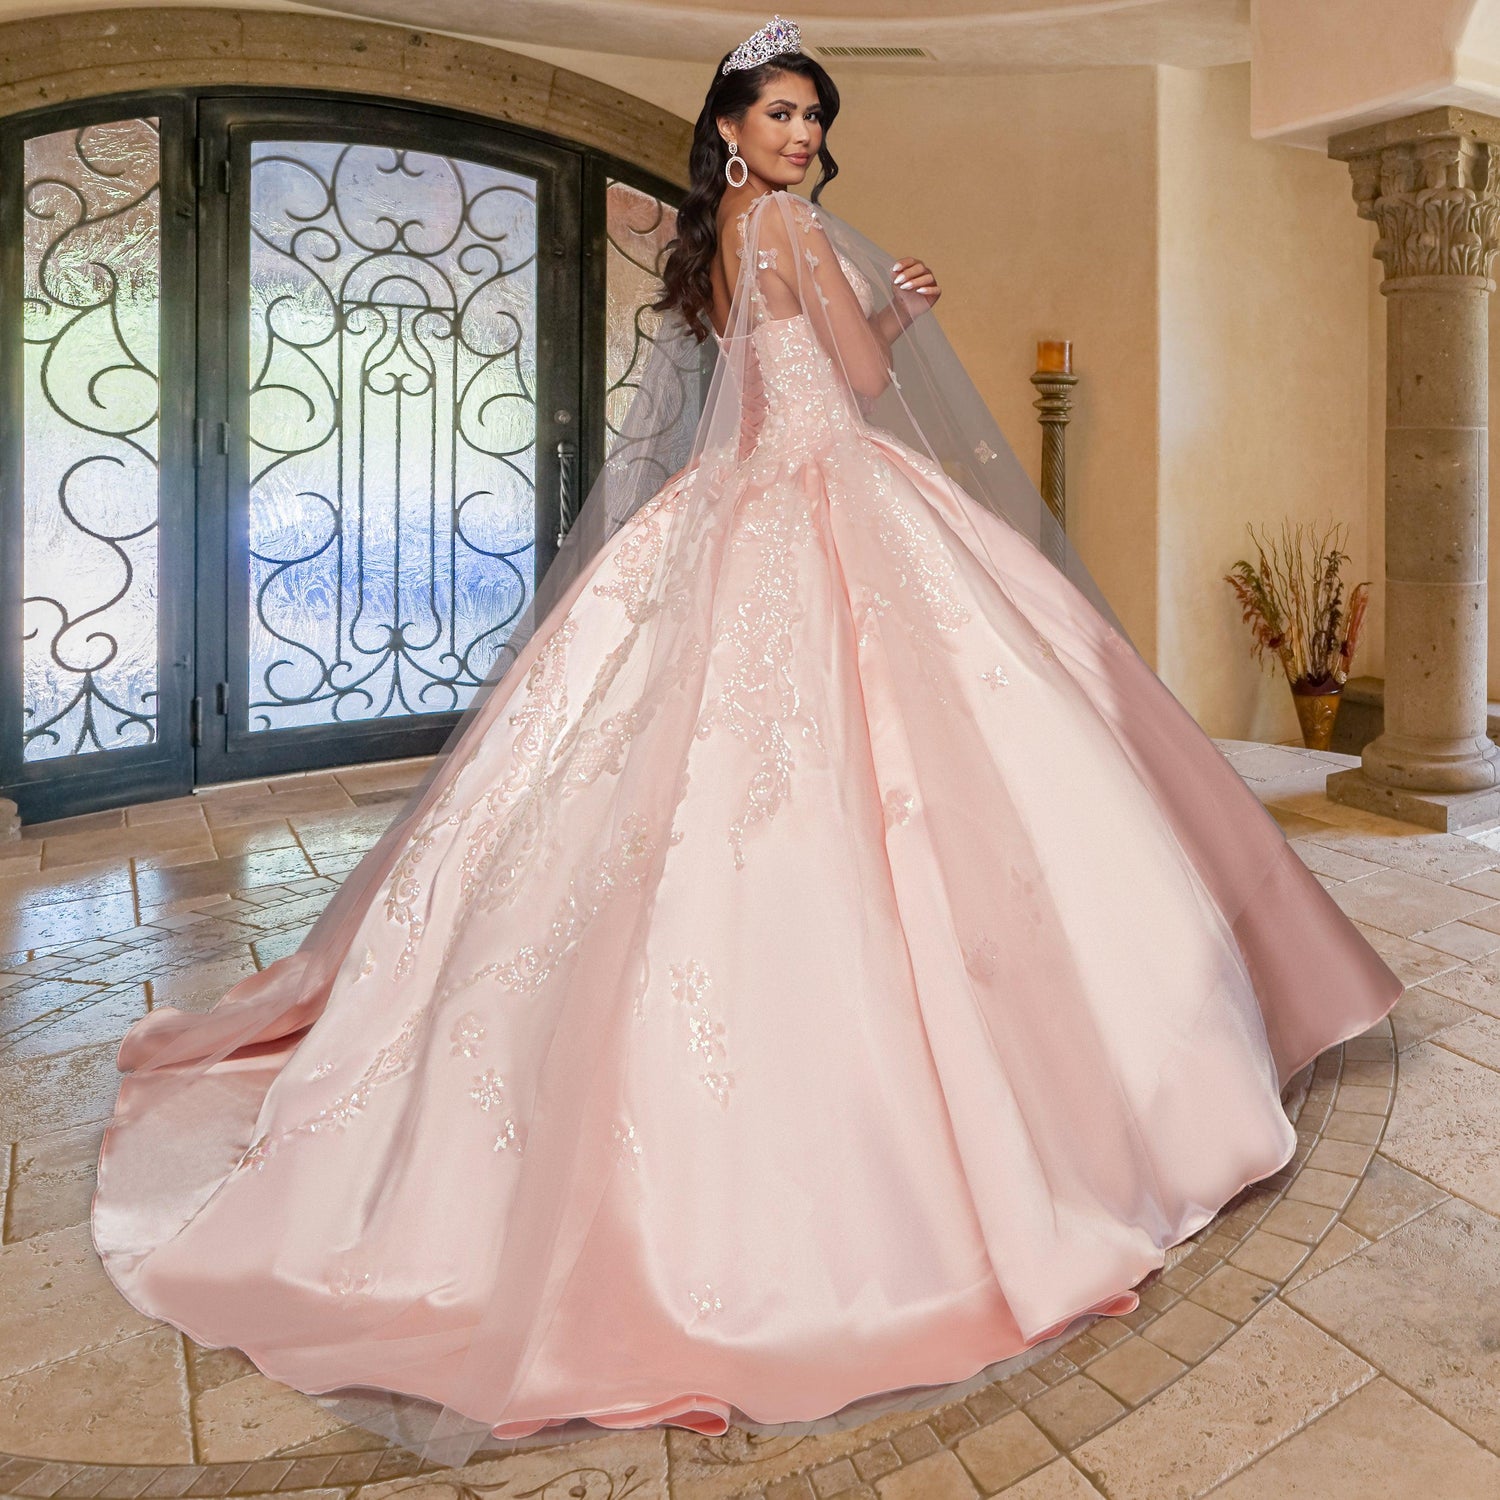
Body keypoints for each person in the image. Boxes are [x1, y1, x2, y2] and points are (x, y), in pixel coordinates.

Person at [90, 14, 1403, 1467]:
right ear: (731, 128)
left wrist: (861, 308)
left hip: (749, 510)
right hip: (824, 496)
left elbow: (762, 372)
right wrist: (893, 307)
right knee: (933, 776)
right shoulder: (784, 224)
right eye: (780, 113)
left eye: (811, 117)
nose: (800, 137)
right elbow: (841, 380)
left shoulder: (729, 235)